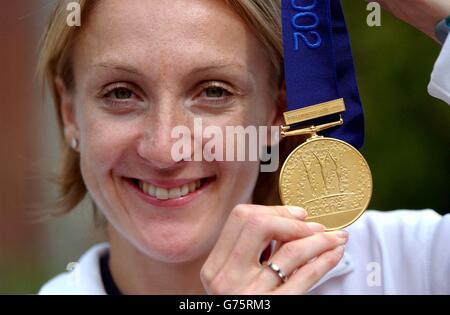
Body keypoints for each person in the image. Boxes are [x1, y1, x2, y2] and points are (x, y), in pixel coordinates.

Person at [37, 0, 450, 295]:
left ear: (278, 110)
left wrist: (443, 17)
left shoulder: (411, 266)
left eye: (214, 91)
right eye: (121, 93)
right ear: (70, 112)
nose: (165, 148)